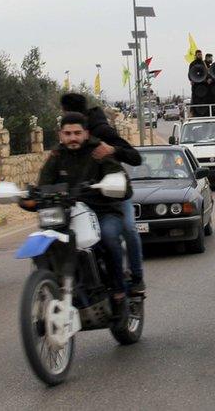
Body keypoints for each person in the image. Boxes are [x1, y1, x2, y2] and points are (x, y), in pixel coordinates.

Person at [36, 112, 132, 301]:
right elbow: (43, 184)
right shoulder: (56, 155)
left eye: (77, 133)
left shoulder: (99, 152)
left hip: (103, 211)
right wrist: (31, 197)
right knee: (45, 242)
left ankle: (118, 290)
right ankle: (47, 288)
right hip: (66, 214)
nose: (72, 137)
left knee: (109, 237)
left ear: (86, 133)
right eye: (68, 133)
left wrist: (109, 186)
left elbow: (124, 187)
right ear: (60, 135)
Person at [59, 93, 146, 293]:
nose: (72, 136)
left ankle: (136, 277)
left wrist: (112, 150)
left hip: (114, 192)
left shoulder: (101, 130)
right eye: (67, 133)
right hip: (82, 198)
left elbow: (135, 158)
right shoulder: (65, 141)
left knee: (128, 228)